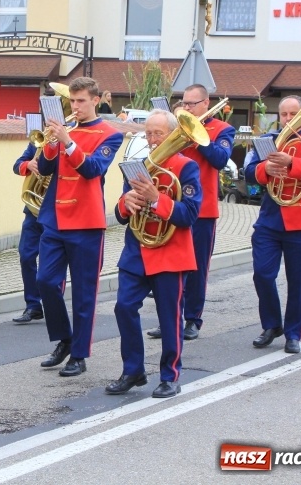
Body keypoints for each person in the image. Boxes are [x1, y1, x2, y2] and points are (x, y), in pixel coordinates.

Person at [108, 109, 202, 399]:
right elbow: (120, 213)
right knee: (123, 307)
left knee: (169, 317)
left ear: (172, 134)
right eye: (148, 133)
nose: (151, 139)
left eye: (158, 133)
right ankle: (133, 369)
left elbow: (190, 214)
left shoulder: (186, 167)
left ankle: (170, 375)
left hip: (170, 253)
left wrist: (156, 198)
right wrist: (128, 202)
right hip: (137, 251)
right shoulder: (137, 166)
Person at [35, 77, 123, 377]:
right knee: (46, 281)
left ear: (95, 100)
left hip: (86, 222)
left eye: (81, 101)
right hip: (54, 220)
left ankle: (79, 354)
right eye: (72, 102)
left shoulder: (109, 134)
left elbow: (93, 169)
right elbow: (45, 169)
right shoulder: (65, 130)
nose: (75, 107)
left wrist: (68, 142)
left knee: (84, 292)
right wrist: (50, 143)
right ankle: (64, 338)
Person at [147, 85, 235, 341]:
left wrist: (195, 134)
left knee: (196, 268)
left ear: (206, 103)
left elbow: (220, 159)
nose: (186, 108)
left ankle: (193, 319)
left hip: (202, 210)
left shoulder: (222, 130)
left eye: (192, 104)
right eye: (184, 104)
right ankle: (169, 318)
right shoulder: (176, 126)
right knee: (170, 269)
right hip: (171, 205)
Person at [244, 95, 301, 354]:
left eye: (295, 114)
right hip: (271, 220)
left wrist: (291, 162)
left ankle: (293, 332)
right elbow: (248, 172)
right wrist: (266, 169)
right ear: (278, 116)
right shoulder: (266, 140)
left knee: (300, 281)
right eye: (285, 115)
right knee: (262, 274)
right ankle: (272, 325)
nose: (289, 119)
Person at [11, 141, 44, 324]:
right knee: (26, 256)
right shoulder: (38, 142)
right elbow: (17, 165)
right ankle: (33, 305)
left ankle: (52, 304)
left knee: (52, 260)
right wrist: (28, 165)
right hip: (33, 209)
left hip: (56, 211)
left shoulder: (68, 141)